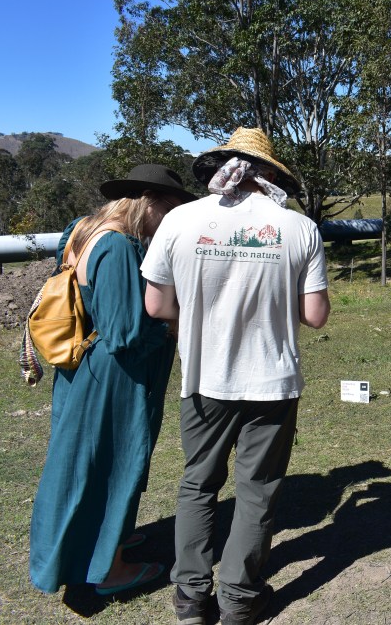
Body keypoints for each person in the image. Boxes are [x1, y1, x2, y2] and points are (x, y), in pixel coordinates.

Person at [142, 128, 330, 625]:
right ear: (268, 174)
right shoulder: (298, 227)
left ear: (223, 166)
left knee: (198, 484)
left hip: (203, 381)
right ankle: (240, 600)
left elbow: (156, 304)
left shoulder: (180, 220)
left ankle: (189, 598)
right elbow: (315, 316)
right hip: (272, 381)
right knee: (257, 489)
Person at [29, 164, 197, 596]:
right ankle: (109, 569)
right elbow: (124, 332)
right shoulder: (119, 246)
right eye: (172, 209)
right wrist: (172, 326)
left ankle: (105, 540)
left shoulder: (83, 230)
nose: (173, 219)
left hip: (84, 368)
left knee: (81, 462)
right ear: (151, 201)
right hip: (115, 376)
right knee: (115, 464)